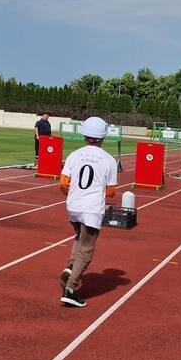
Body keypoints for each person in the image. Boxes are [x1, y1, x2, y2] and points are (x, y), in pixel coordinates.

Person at [58, 116, 117, 308]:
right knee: (87, 248)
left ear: (85, 135)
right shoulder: (108, 159)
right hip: (91, 209)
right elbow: (111, 191)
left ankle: (70, 267)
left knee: (79, 237)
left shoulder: (75, 155)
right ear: (102, 137)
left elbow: (63, 183)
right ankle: (71, 289)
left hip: (73, 205)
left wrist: (76, 195)